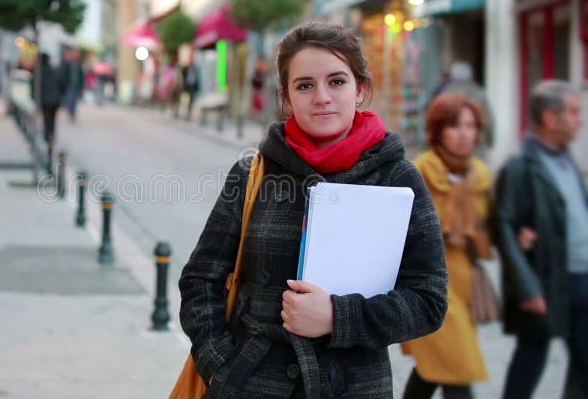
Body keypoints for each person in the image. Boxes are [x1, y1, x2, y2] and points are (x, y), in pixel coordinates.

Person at [179, 22, 448, 398]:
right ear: (287, 99)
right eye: (305, 85)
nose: (321, 97)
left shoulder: (398, 179)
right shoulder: (252, 174)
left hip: (353, 387)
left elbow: (429, 299)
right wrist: (222, 369)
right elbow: (200, 280)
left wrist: (339, 318)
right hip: (252, 385)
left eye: (336, 82)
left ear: (361, 91)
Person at [495, 79, 587, 399]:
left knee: (584, 362)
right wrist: (528, 288)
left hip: (581, 278)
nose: (581, 120)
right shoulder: (521, 166)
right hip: (545, 279)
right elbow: (505, 229)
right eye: (574, 112)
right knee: (531, 360)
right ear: (550, 118)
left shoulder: (566, 159)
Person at [400, 94, 493, 399]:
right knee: (457, 368)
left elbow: (489, 229)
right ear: (437, 131)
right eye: (455, 126)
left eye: (470, 125)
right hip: (428, 284)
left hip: (464, 284)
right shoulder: (419, 172)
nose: (465, 133)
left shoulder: (478, 175)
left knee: (435, 369)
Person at [35, 52, 63, 171]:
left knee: (47, 119)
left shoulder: (40, 72)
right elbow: (61, 84)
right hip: (55, 101)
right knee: (52, 120)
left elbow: (36, 87)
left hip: (46, 101)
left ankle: (48, 137)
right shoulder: (54, 70)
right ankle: (51, 137)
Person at [61, 48, 84, 122]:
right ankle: (70, 113)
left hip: (76, 85)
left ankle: (72, 114)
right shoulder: (68, 63)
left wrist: (81, 86)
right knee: (69, 99)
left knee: (74, 100)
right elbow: (65, 74)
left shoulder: (79, 64)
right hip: (69, 85)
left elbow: (81, 76)